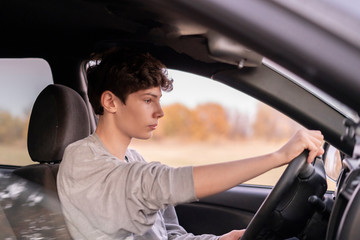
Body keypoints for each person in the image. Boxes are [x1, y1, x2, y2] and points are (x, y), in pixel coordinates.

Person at [57, 49, 324, 240]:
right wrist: (277, 156)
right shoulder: (81, 162)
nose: (160, 112)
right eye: (148, 100)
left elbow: (170, 236)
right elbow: (164, 182)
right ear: (110, 102)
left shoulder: (134, 159)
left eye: (159, 100)